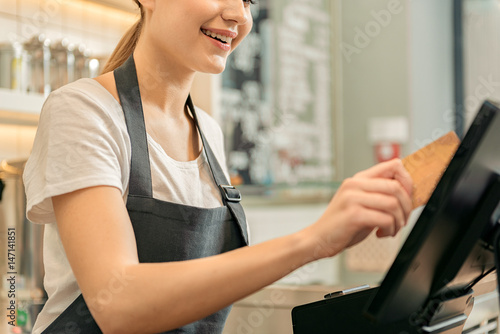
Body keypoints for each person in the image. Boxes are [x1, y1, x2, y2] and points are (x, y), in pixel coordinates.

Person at [23, 0, 413, 333]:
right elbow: (118, 303)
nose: (238, 15)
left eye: (248, 0)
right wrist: (314, 241)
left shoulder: (208, 132)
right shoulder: (83, 111)